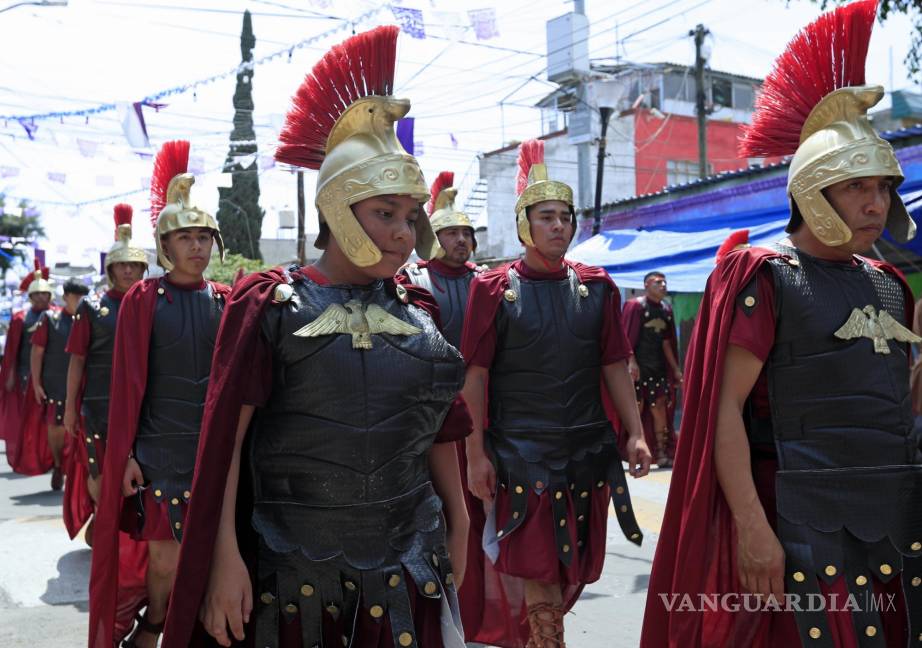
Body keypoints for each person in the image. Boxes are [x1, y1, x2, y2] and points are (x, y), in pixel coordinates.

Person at [161, 26, 471, 648]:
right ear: (337, 209)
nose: (405, 234)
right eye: (385, 214)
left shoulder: (419, 311)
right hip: (291, 568)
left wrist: (460, 522)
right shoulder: (270, 304)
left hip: (411, 559)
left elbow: (437, 430)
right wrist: (223, 557)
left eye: (409, 217)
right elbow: (226, 448)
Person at [641, 1, 922, 645]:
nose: (876, 202)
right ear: (812, 192)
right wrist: (750, 525)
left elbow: (889, 410)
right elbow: (723, 412)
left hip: (890, 517)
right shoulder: (764, 276)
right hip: (792, 517)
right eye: (857, 186)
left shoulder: (890, 286)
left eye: (882, 186)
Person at [458, 138, 651, 648]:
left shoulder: (598, 287)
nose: (559, 226)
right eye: (547, 217)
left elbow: (614, 364)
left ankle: (544, 630)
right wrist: (475, 453)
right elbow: (474, 376)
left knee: (574, 566)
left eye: (565, 217)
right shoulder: (493, 288)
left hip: (587, 451)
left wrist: (635, 433)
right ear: (525, 224)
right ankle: (548, 639)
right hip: (520, 453)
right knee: (539, 560)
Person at [88, 140, 229, 648]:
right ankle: (152, 630)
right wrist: (123, 455)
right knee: (166, 562)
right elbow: (127, 385)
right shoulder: (145, 300)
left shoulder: (227, 301)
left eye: (203, 237)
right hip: (158, 453)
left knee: (214, 553)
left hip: (211, 452)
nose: (196, 247)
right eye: (186, 238)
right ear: (166, 247)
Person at [63, 203, 148, 540]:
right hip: (98, 409)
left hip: (144, 410)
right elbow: (77, 360)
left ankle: (127, 545)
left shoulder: (152, 303)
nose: (128, 271)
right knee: (100, 480)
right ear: (111, 269)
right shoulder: (92, 307)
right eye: (122, 265)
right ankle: (105, 534)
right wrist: (70, 406)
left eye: (134, 264)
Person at [398, 171, 484, 348]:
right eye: (452, 233)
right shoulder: (411, 279)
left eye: (466, 233)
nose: (461, 239)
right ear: (434, 238)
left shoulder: (485, 280)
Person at [30, 278, 88, 490]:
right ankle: (57, 464)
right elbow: (37, 352)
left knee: (83, 431)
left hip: (84, 385)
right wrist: (36, 383)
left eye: (83, 296)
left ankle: (77, 472)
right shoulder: (50, 319)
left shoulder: (91, 317)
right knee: (56, 427)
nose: (80, 300)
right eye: (75, 296)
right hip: (55, 383)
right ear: (65, 297)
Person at [1, 261, 54, 477]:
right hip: (25, 374)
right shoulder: (20, 319)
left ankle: (51, 455)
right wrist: (11, 376)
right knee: (29, 417)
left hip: (52, 374)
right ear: (31, 297)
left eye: (45, 294)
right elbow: (13, 352)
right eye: (37, 294)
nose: (42, 297)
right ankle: (31, 452)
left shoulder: (59, 315)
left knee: (51, 418)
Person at [623, 271, 681, 468]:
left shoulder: (666, 309)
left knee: (660, 410)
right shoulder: (635, 306)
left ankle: (662, 452)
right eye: (658, 282)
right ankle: (635, 452)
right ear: (647, 284)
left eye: (665, 282)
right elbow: (626, 337)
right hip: (638, 369)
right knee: (635, 410)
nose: (663, 285)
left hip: (658, 369)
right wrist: (631, 362)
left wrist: (675, 369)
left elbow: (667, 343)